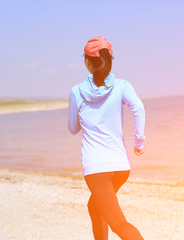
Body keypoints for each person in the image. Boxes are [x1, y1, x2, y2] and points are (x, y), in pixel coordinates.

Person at [68, 36, 146, 240]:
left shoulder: (76, 92)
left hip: (97, 170)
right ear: (110, 59)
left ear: (87, 61)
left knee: (117, 222)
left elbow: (73, 128)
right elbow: (138, 107)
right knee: (94, 206)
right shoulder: (122, 86)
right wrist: (139, 142)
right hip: (121, 167)